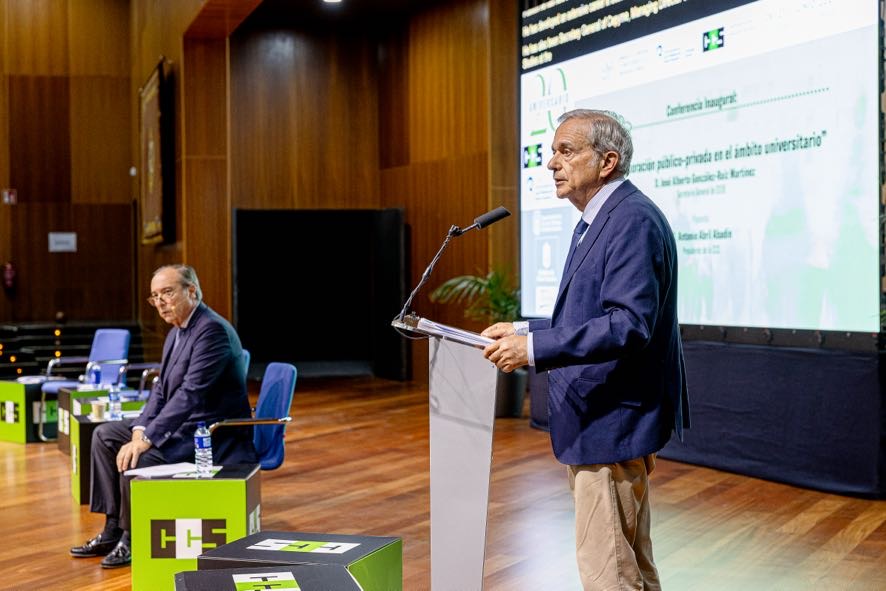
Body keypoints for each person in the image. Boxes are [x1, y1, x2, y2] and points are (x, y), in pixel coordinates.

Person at [482, 109, 689, 590]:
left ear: (607, 161)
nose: (551, 163)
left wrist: (533, 348)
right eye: (552, 151)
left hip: (611, 419)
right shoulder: (603, 219)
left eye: (566, 151)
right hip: (602, 417)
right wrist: (522, 328)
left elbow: (629, 325)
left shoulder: (630, 220)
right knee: (629, 564)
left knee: (608, 572)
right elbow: (589, 313)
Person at [70, 264, 257, 568]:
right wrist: (140, 429)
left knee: (141, 459)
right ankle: (112, 528)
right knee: (104, 435)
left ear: (191, 291)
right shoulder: (175, 333)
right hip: (183, 427)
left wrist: (148, 438)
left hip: (211, 433)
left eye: (167, 293)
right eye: (154, 296)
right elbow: (161, 389)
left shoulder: (211, 331)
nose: (160, 302)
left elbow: (191, 394)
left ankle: (131, 538)